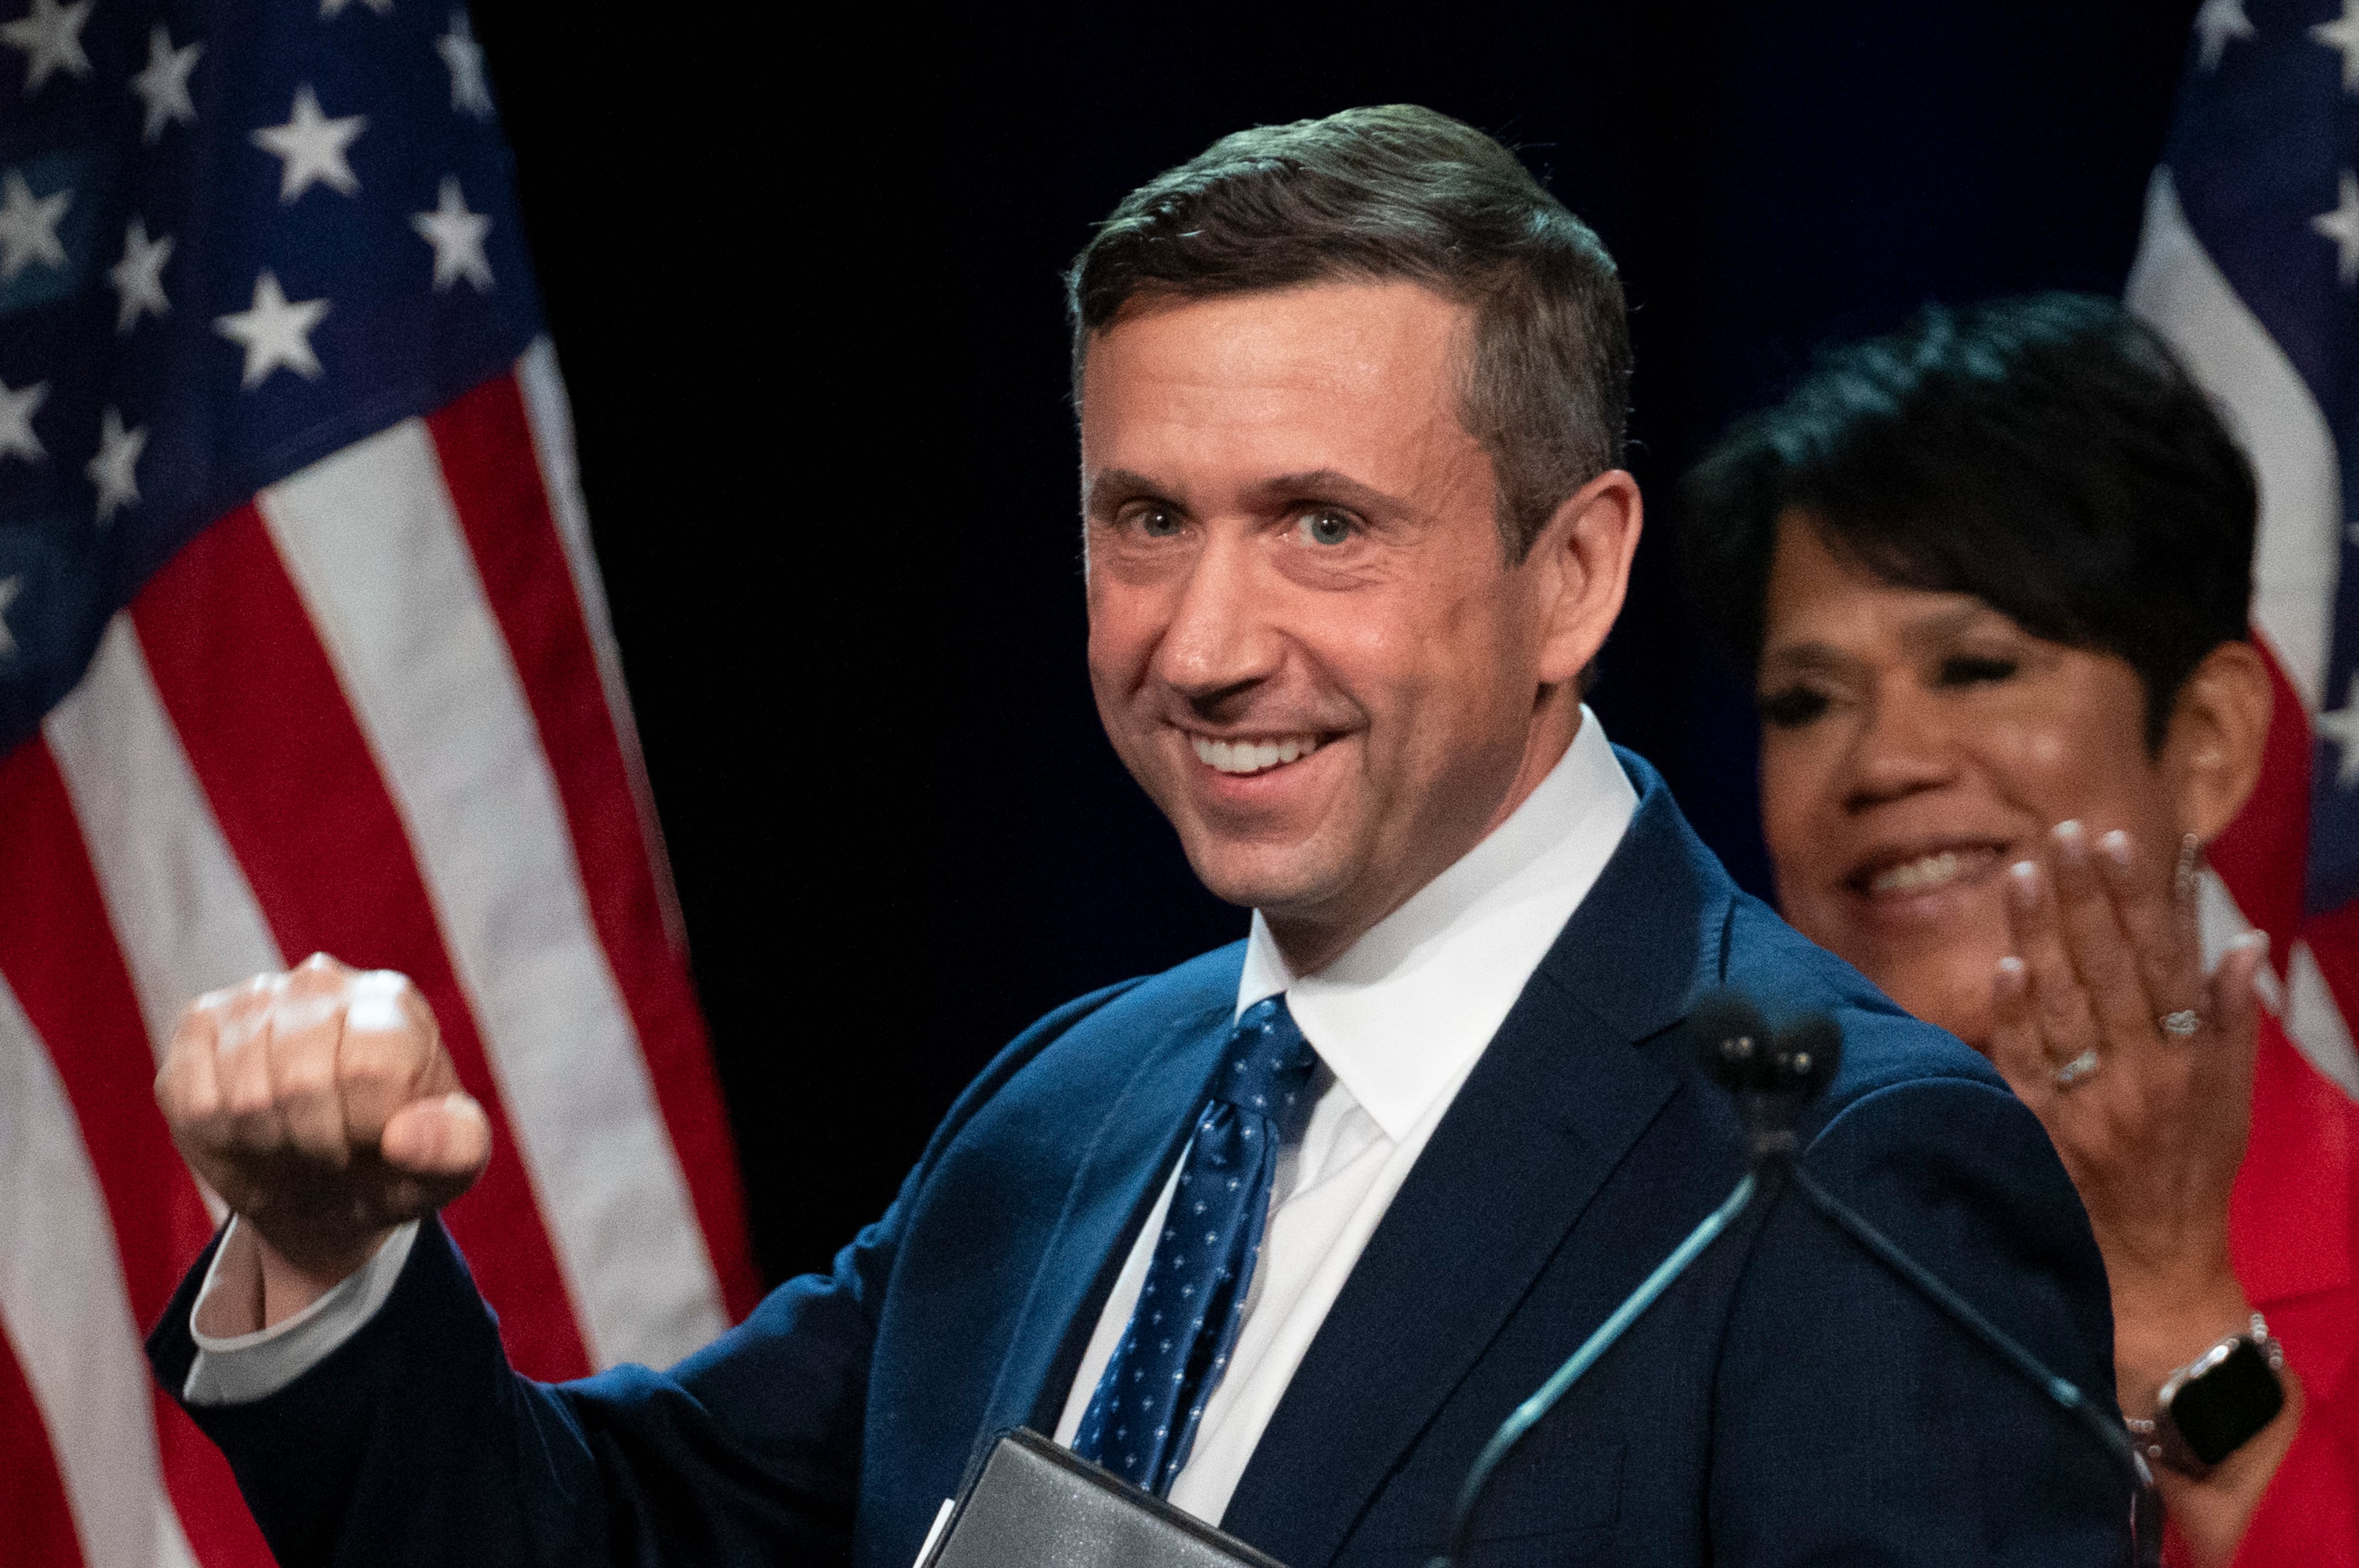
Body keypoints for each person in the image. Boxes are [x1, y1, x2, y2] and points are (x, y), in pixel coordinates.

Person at [150, 109, 2129, 1567]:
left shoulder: (1845, 1167)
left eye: (1323, 525)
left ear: (1576, 572)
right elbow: (597, 1544)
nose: (1204, 644)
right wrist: (332, 1250)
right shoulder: (1078, 1098)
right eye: (1145, 519)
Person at [1683, 293, 2359, 1568]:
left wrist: (2174, 1306)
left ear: (2207, 740)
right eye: (1807, 699)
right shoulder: (1670, 1229)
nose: (1881, 762)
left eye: (1976, 667)